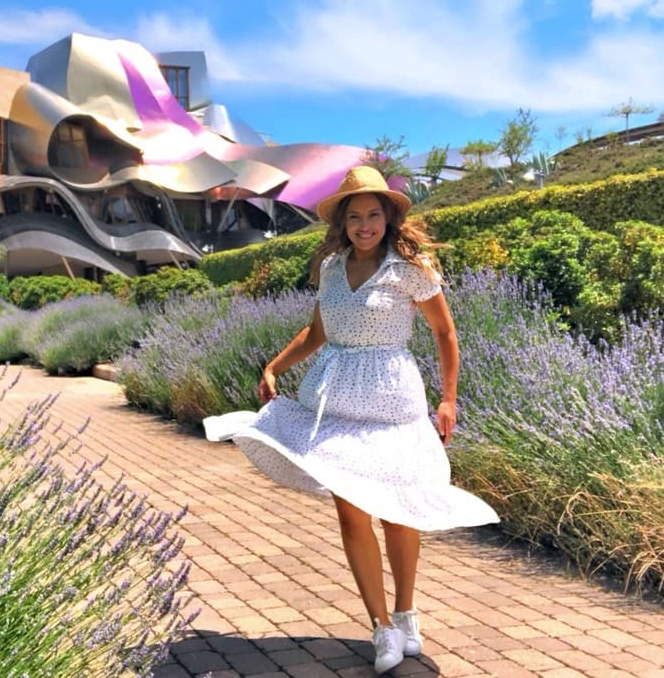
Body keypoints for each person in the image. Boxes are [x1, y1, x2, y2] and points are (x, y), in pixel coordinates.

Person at [204, 166, 499, 674]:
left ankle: (406, 612)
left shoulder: (412, 268)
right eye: (356, 216)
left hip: (393, 404)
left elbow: (444, 335)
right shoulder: (333, 269)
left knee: (398, 509)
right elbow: (316, 334)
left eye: (374, 215)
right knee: (350, 512)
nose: (366, 225)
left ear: (388, 217)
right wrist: (275, 365)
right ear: (342, 222)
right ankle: (381, 626)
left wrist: (448, 400)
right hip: (335, 403)